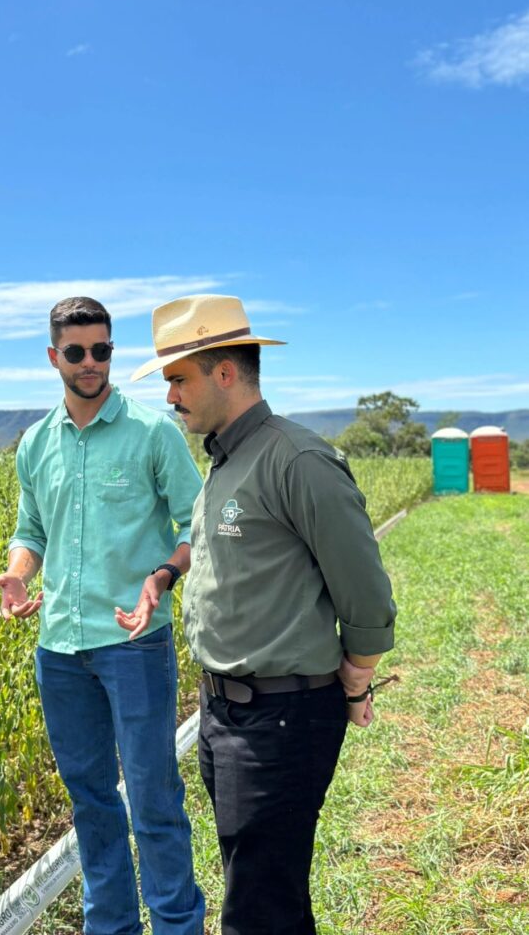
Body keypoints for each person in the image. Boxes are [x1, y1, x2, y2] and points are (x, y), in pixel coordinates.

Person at [130, 293, 397, 935]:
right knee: (261, 890)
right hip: (226, 713)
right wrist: (165, 575)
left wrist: (355, 680)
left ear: (225, 372)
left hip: (280, 718)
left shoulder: (296, 459)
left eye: (177, 378)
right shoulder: (226, 461)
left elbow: (365, 589)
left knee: (257, 908)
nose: (169, 396)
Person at [0, 296, 205, 935]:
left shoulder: (152, 431)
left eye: (102, 350)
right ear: (54, 357)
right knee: (91, 804)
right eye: (76, 352)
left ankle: (175, 926)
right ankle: (110, 927)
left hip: (133, 645)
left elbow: (196, 526)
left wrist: (162, 578)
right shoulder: (35, 442)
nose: (90, 363)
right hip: (59, 648)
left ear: (112, 350)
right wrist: (20, 575)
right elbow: (31, 529)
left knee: (154, 801)